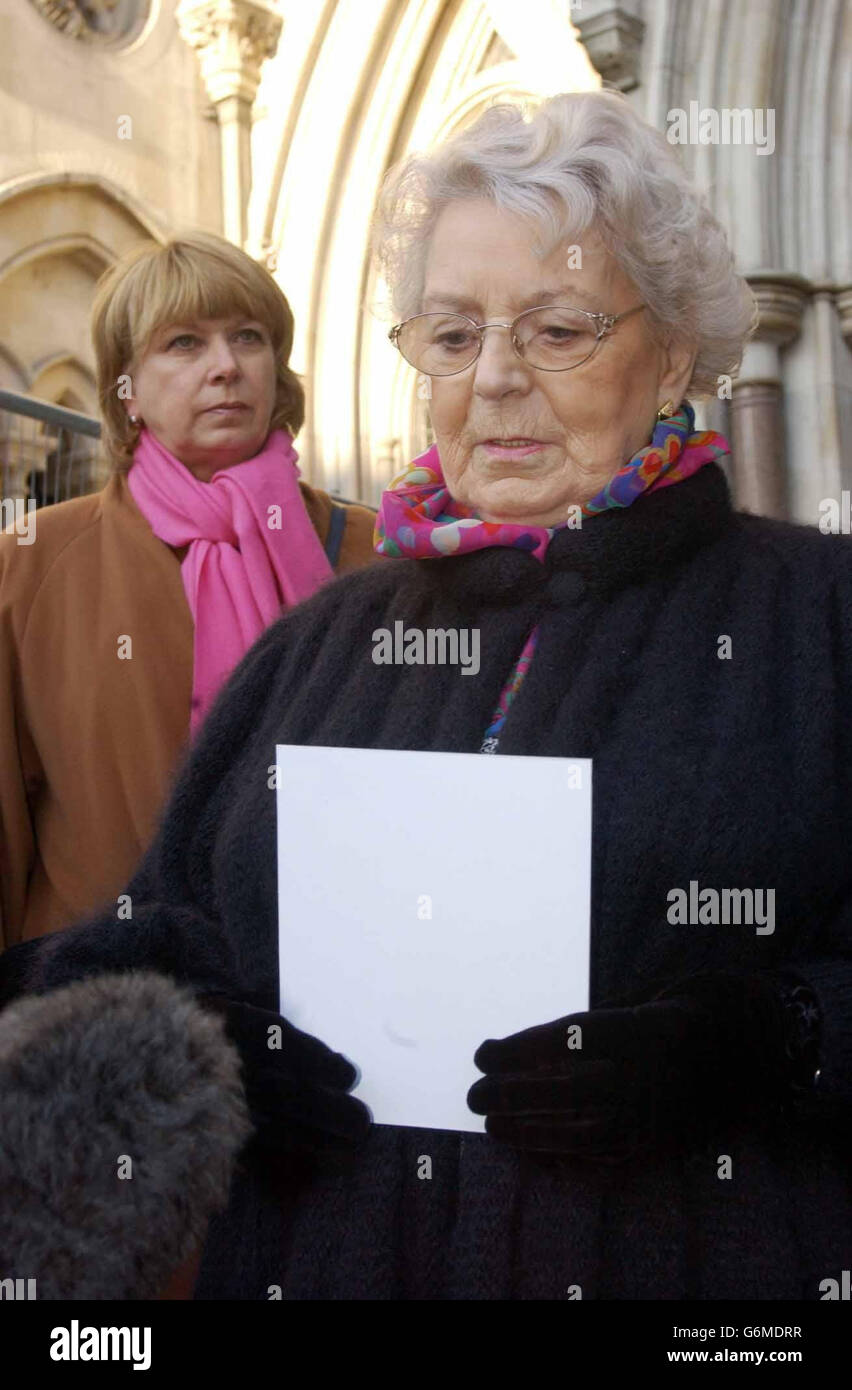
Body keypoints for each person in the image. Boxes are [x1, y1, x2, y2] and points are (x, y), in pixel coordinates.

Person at [3, 90, 852, 1300]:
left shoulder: (817, 617)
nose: (495, 380)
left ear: (671, 352)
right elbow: (147, 935)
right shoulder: (320, 643)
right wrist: (207, 1042)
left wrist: (769, 1041)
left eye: (556, 329)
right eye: (452, 337)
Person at [0, 232, 378, 947]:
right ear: (126, 387)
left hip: (330, 980)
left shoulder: (372, 551)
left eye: (249, 337)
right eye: (183, 343)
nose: (227, 366)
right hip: (99, 1004)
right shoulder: (30, 561)